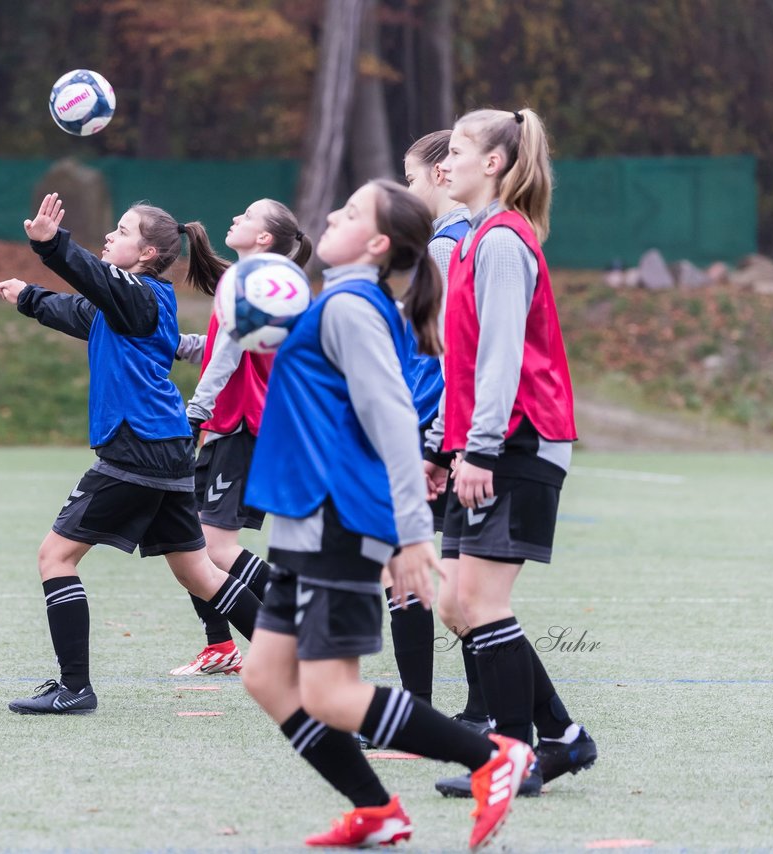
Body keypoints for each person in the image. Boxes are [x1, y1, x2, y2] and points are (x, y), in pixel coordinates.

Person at [240, 179, 533, 851]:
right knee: (265, 676)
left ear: (374, 244)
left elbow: (395, 418)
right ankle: (377, 811)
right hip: (304, 519)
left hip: (339, 520)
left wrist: (409, 534)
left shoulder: (350, 305)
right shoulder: (338, 303)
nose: (330, 217)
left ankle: (493, 757)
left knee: (332, 695)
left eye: (345, 213)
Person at [0, 193, 263, 715]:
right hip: (165, 449)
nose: (110, 237)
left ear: (145, 254)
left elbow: (93, 279)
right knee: (200, 574)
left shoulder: (140, 297)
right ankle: (290, 662)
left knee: (56, 557)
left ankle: (75, 688)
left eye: (122, 230)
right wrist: (29, 296)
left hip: (136, 449)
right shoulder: (127, 304)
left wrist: (52, 246)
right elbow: (78, 308)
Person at [423, 108, 598, 797]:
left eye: (459, 149)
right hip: (489, 441)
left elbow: (499, 361)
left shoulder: (501, 242)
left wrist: (482, 450)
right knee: (458, 606)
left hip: (520, 442)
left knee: (480, 602)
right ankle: (561, 737)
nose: (447, 162)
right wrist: (442, 445)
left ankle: (510, 758)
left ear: (494, 163)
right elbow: (458, 366)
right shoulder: (469, 243)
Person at [167, 199, 313, 677]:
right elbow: (221, 347)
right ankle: (219, 645)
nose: (235, 219)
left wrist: (195, 414)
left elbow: (228, 357)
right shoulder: (261, 282)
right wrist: (173, 343)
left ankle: (302, 620)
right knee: (187, 542)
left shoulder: (253, 284)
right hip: (233, 426)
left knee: (214, 548)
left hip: (245, 427)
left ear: (265, 238)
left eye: (247, 217)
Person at [376, 130, 473, 711]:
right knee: (458, 585)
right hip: (439, 428)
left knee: (405, 567)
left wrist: (432, 437)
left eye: (410, 178)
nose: (407, 190)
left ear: (439, 176)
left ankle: (417, 708)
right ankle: (479, 710)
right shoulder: (459, 239)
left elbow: (442, 353)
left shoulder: (445, 246)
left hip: (429, 430)